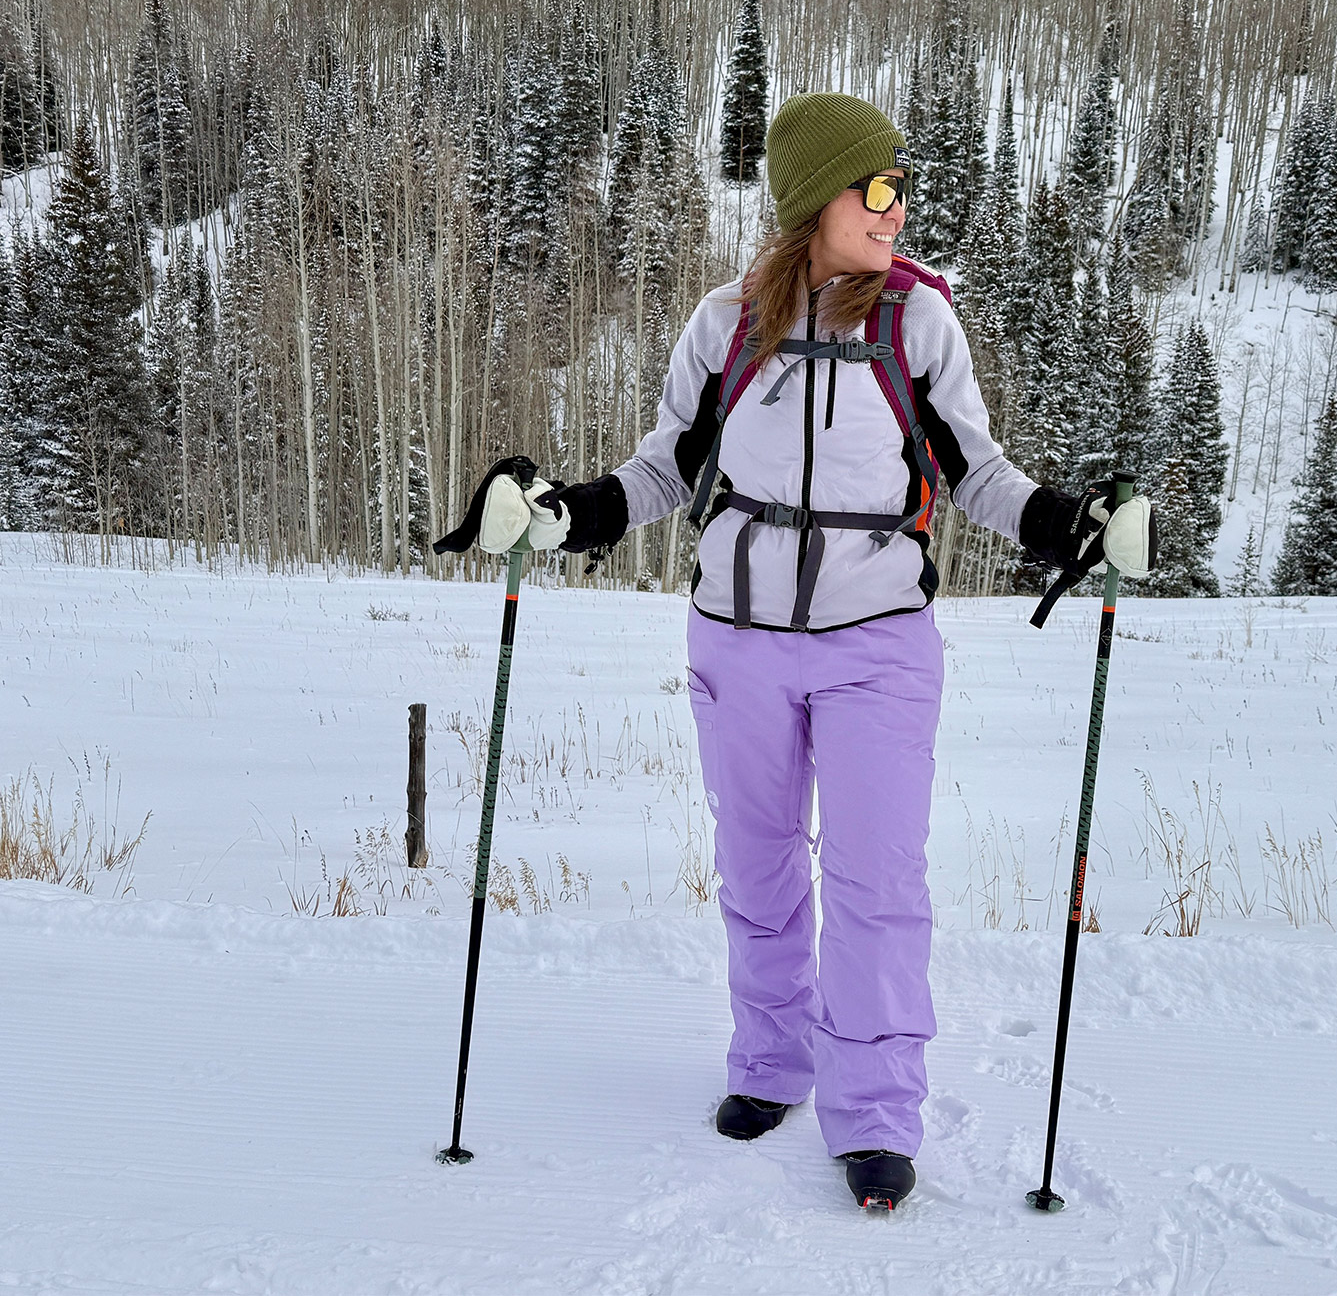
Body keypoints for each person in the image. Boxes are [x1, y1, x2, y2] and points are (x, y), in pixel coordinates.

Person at [447, 93, 1153, 1210]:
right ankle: (770, 1061)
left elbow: (975, 472)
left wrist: (1071, 522)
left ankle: (873, 1111)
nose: (895, 206)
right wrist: (558, 515)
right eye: (875, 187)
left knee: (877, 881)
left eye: (898, 186)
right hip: (737, 638)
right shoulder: (727, 324)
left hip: (877, 642)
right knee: (758, 865)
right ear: (812, 199)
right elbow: (661, 471)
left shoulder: (916, 323)